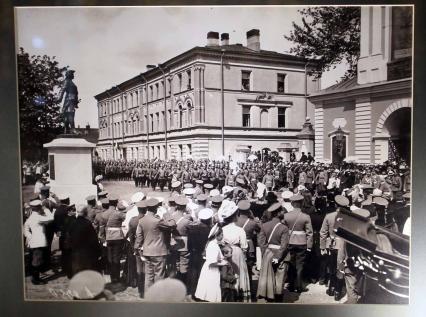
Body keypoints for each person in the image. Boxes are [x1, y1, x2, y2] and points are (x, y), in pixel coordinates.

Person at [134, 198, 176, 291]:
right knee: (159, 275)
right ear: (156, 208)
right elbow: (172, 224)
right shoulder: (158, 221)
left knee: (148, 275)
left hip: (147, 251)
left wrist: (137, 249)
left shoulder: (142, 220)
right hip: (159, 252)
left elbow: (139, 237)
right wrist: (167, 214)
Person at [219, 200, 251, 302]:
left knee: (227, 271)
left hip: (226, 252)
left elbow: (220, 242)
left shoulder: (222, 229)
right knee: (239, 272)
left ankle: (228, 293)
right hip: (237, 252)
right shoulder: (240, 230)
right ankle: (239, 293)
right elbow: (244, 246)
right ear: (234, 216)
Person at [257, 203, 289, 302]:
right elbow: (284, 246)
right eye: (282, 211)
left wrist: (266, 253)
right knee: (280, 278)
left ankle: (269, 297)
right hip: (281, 256)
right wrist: (277, 257)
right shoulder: (284, 228)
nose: (284, 212)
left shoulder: (264, 225)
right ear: (278, 213)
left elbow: (261, 242)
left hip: (268, 254)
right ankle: (278, 299)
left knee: (268, 277)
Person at [283, 194, 313, 293]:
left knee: (291, 264)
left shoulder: (286, 216)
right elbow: (309, 233)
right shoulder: (306, 216)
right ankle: (299, 286)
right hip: (302, 243)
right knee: (300, 265)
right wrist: (309, 246)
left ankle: (291, 285)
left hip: (290, 242)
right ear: (301, 203)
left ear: (292, 204)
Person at [320, 195, 348, 301]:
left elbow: (323, 233)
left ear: (336, 205)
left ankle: (331, 288)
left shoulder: (329, 216)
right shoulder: (348, 218)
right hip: (343, 245)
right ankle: (337, 291)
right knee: (340, 267)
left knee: (331, 266)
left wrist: (322, 247)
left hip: (331, 244)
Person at [23, 200, 54, 285]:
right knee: (37, 261)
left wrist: (30, 236)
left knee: (35, 260)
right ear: (37, 208)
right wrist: (46, 209)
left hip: (33, 242)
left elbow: (25, 228)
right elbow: (51, 218)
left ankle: (35, 278)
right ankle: (35, 280)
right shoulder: (38, 217)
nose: (41, 208)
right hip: (39, 243)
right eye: (40, 207)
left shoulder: (31, 217)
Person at [236, 200, 260, 301]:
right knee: (249, 269)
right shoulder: (252, 222)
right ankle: (249, 291)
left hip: (237, 246)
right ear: (248, 210)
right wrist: (253, 218)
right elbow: (259, 230)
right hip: (249, 247)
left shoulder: (235, 221)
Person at [194, 225, 226, 302]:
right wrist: (223, 263)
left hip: (209, 270)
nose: (223, 236)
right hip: (212, 271)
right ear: (216, 235)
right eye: (221, 234)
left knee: (208, 289)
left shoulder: (213, 244)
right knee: (212, 288)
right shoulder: (213, 245)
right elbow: (212, 263)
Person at [187, 208, 213, 299]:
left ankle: (192, 292)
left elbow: (189, 243)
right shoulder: (209, 230)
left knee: (193, 272)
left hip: (194, 253)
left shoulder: (192, 228)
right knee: (202, 273)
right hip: (204, 253)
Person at [69, 205, 101, 276]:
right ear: (85, 212)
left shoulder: (72, 223)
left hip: (76, 252)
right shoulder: (87, 223)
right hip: (87, 253)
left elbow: (70, 238)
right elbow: (94, 240)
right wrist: (98, 251)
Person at [57, 69, 80, 134]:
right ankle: (72, 129)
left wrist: (76, 102)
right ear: (69, 75)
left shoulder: (70, 82)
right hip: (69, 100)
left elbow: (76, 93)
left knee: (67, 114)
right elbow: (62, 90)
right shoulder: (67, 81)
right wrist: (59, 98)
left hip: (72, 100)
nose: (73, 75)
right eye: (72, 74)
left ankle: (66, 129)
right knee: (70, 113)